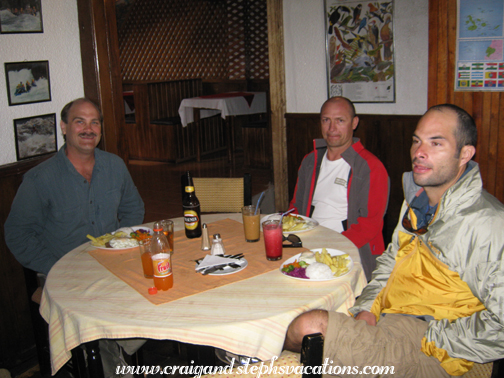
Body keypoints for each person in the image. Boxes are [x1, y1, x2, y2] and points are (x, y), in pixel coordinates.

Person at [284, 104, 504, 377]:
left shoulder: (487, 223)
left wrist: (436, 339)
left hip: (450, 354)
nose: (419, 153)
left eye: (436, 143)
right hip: (395, 317)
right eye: (416, 141)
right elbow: (391, 260)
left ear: (465, 154)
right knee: (298, 320)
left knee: (309, 326)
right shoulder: (417, 202)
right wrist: (368, 307)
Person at [5, 98, 145, 378]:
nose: (88, 128)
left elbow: (133, 208)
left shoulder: (115, 166)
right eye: (80, 121)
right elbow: (17, 234)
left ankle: (120, 344)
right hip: (60, 273)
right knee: (96, 318)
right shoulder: (39, 179)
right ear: (64, 127)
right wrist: (57, 266)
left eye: (95, 122)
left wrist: (121, 243)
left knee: (158, 291)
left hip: (111, 264)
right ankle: (114, 363)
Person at [289, 96, 389, 280]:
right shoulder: (310, 161)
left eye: (340, 121)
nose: (332, 128)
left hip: (348, 251)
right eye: (326, 120)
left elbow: (370, 224)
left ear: (354, 123)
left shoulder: (370, 167)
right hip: (309, 246)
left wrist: (330, 246)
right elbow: (296, 207)